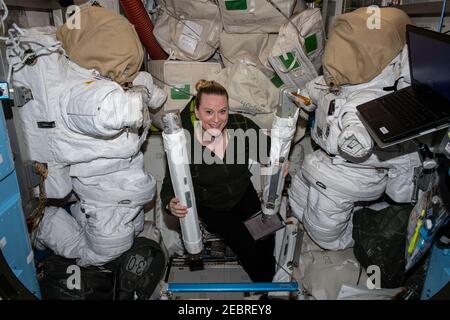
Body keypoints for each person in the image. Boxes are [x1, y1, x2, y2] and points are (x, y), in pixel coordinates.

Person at [160, 79, 276, 282]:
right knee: (246, 245)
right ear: (197, 112)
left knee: (267, 236)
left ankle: (269, 279)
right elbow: (169, 185)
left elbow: (270, 151)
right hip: (214, 207)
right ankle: (265, 286)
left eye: (222, 111)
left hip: (244, 194)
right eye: (209, 112)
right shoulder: (184, 143)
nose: (216, 119)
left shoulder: (241, 126)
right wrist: (170, 203)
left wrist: (280, 164)